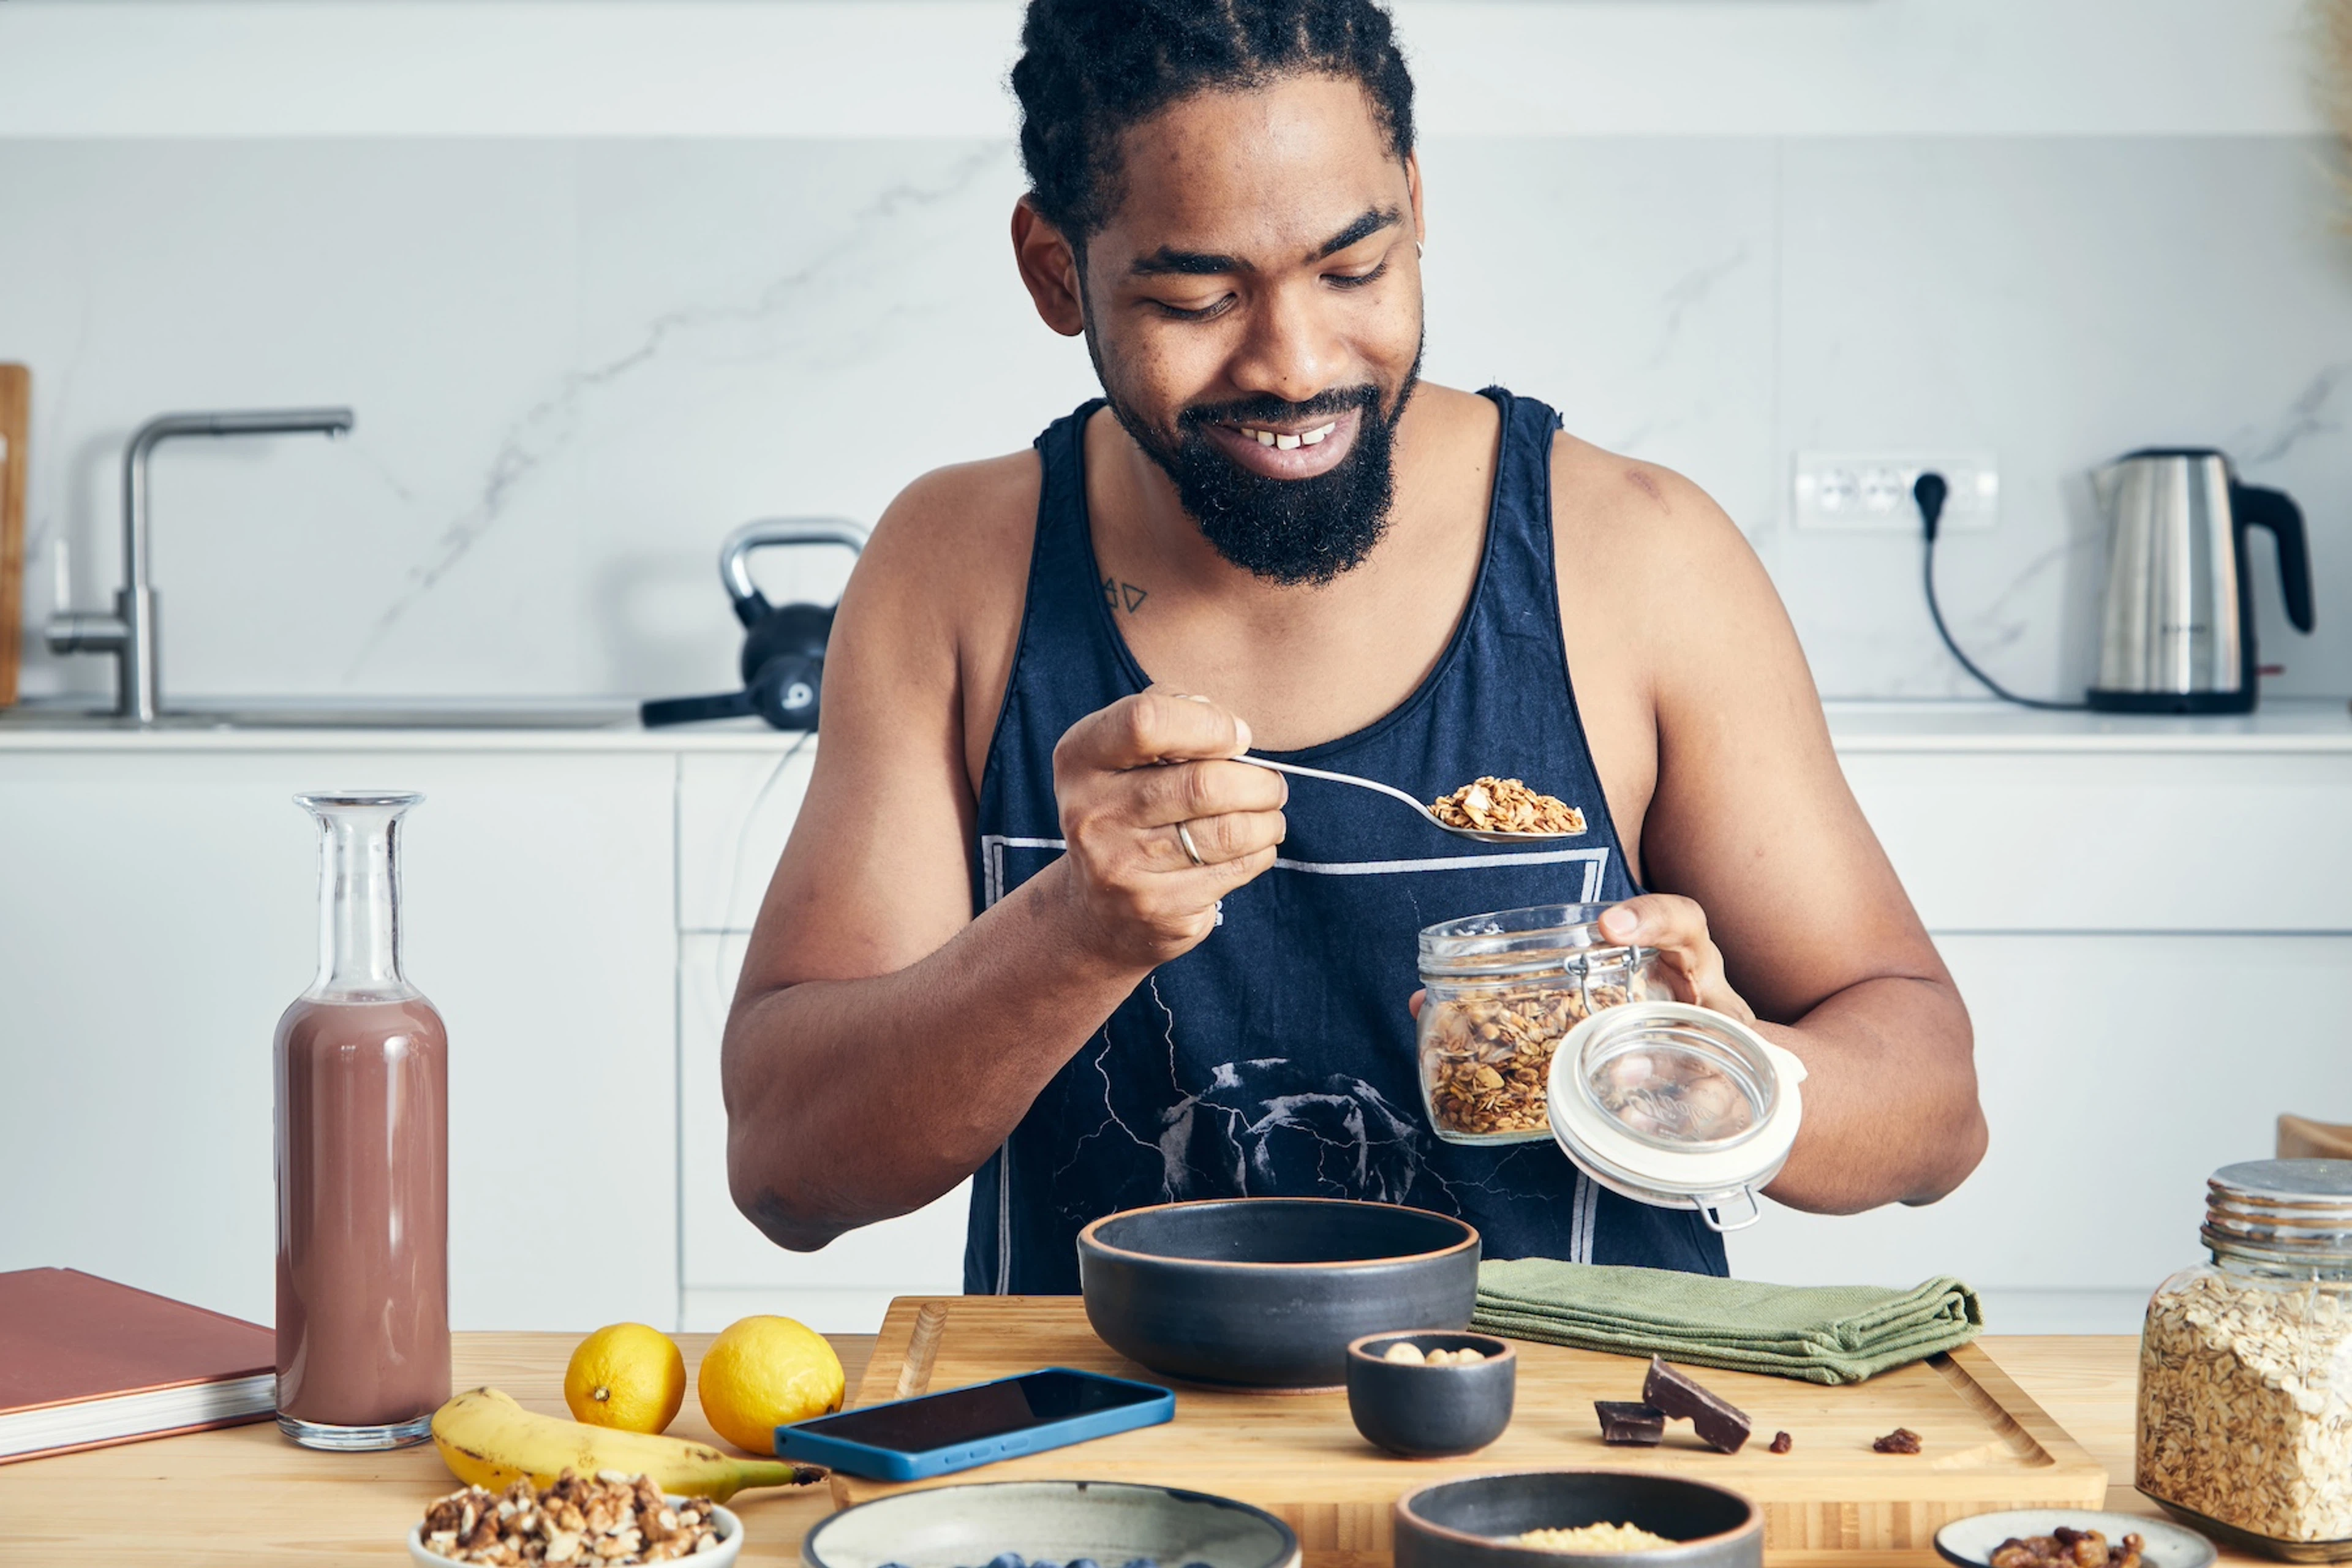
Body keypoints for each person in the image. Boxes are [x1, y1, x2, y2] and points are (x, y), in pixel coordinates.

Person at [722, 0, 1987, 1293]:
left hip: (1577, 1465)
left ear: (1417, 205)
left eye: (1354, 270)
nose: (1297, 363)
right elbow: (786, 1167)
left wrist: (1732, 1077)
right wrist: (1075, 934)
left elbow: (1937, 1104)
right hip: (1111, 1473)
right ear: (1057, 273)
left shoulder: (1637, 554)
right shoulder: (958, 569)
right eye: (1200, 295)